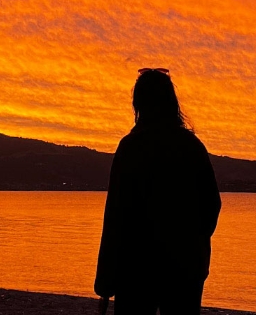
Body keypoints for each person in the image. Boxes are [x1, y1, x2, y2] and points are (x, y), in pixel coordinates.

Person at [94, 68, 222, 315]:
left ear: (138, 105)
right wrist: (193, 243)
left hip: (135, 266)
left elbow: (116, 217)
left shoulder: (131, 147)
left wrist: (105, 282)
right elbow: (212, 205)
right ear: (172, 103)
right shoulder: (191, 146)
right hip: (185, 267)